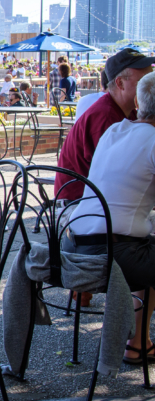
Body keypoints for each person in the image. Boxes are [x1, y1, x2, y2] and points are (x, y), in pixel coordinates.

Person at [63, 72, 155, 363]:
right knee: (146, 251)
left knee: (146, 245)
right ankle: (137, 344)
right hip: (111, 254)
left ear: (139, 103)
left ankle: (137, 341)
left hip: (70, 246)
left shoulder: (114, 131)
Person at [55, 49, 154, 203]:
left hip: (100, 202)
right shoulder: (106, 116)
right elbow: (123, 175)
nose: (151, 86)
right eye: (144, 81)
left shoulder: (129, 111)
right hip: (80, 207)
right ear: (120, 83)